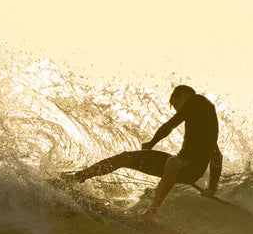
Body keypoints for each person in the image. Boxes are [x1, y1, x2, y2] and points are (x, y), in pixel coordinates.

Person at [61, 85, 222, 220]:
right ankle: (77, 178)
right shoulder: (204, 114)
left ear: (184, 96)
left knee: (173, 161)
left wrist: (151, 143)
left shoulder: (196, 101)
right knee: (126, 157)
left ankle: (150, 213)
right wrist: (212, 186)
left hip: (190, 168)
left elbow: (170, 125)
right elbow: (216, 153)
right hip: (180, 164)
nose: (178, 111)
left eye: (177, 105)